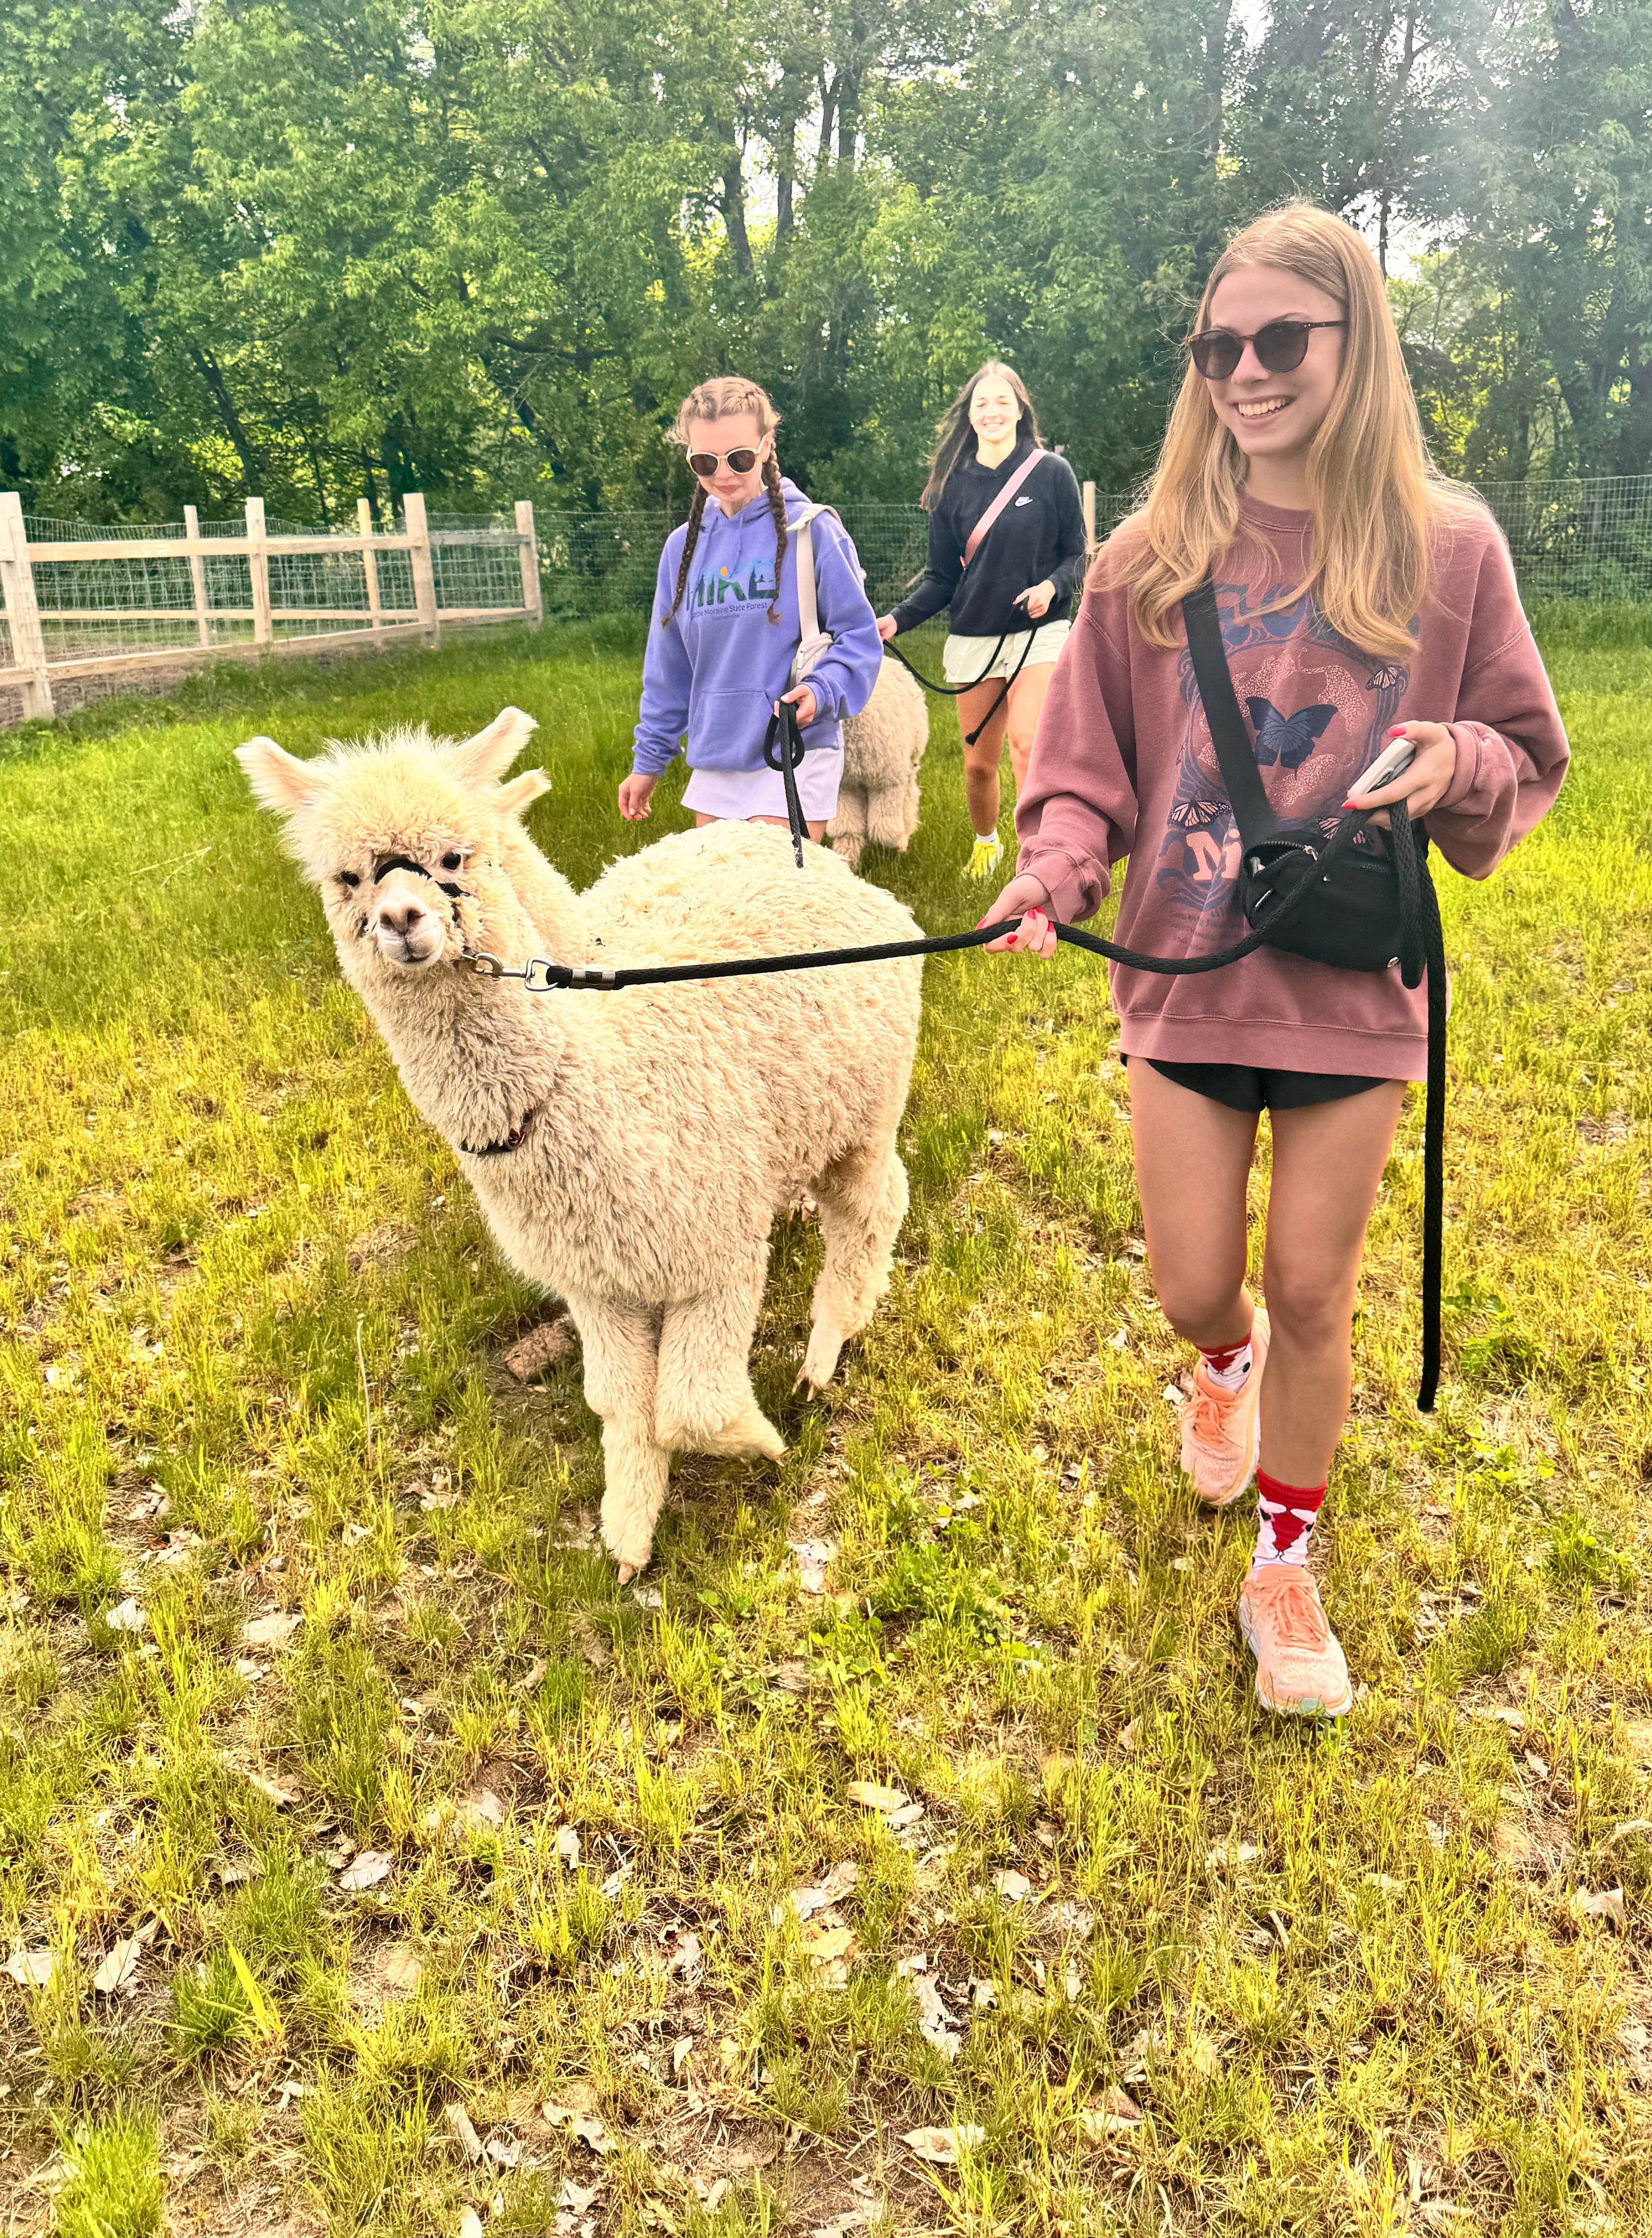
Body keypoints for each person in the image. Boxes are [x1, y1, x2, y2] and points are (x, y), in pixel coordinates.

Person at [981, 203, 1569, 1720]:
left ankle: (1285, 1562)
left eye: (1280, 340)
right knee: (1198, 1286)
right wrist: (1051, 866)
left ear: (1354, 342)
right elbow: (1080, 767)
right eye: (1218, 346)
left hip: (1352, 982)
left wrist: (1454, 757)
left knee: (1315, 1285)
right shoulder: (1144, 564)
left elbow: (1525, 745)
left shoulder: (1449, 549)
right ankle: (1219, 1370)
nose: (1245, 371)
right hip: (1182, 974)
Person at [619, 378, 881, 842]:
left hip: (791, 751)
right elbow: (668, 668)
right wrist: (649, 760)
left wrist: (820, 692)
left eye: (738, 458)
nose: (722, 473)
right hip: (715, 757)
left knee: (773, 904)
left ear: (765, 446)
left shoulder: (814, 532)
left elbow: (859, 640)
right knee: (720, 907)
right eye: (704, 461)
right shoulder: (681, 548)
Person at [876, 362, 1087, 878]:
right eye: (981, 404)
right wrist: (896, 622)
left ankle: (1036, 863)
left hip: (1041, 634)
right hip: (974, 636)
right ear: (969, 417)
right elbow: (941, 578)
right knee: (978, 764)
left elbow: (1078, 555)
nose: (992, 411)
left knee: (1028, 743)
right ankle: (986, 843)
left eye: (1002, 401)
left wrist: (1052, 587)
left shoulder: (1052, 473)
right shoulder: (952, 486)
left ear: (1020, 409)